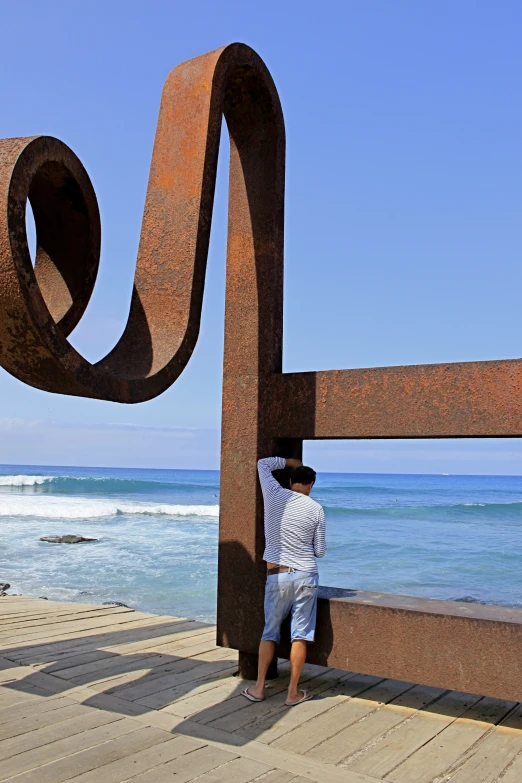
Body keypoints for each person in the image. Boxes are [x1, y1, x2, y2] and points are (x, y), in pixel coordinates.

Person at [242, 456, 326, 707]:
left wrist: (288, 461)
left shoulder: (274, 494)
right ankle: (292, 693)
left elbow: (262, 464)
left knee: (270, 632)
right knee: (300, 635)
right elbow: (320, 551)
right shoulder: (316, 509)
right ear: (311, 485)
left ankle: (258, 688)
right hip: (305, 574)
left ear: (291, 482)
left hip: (277, 574)